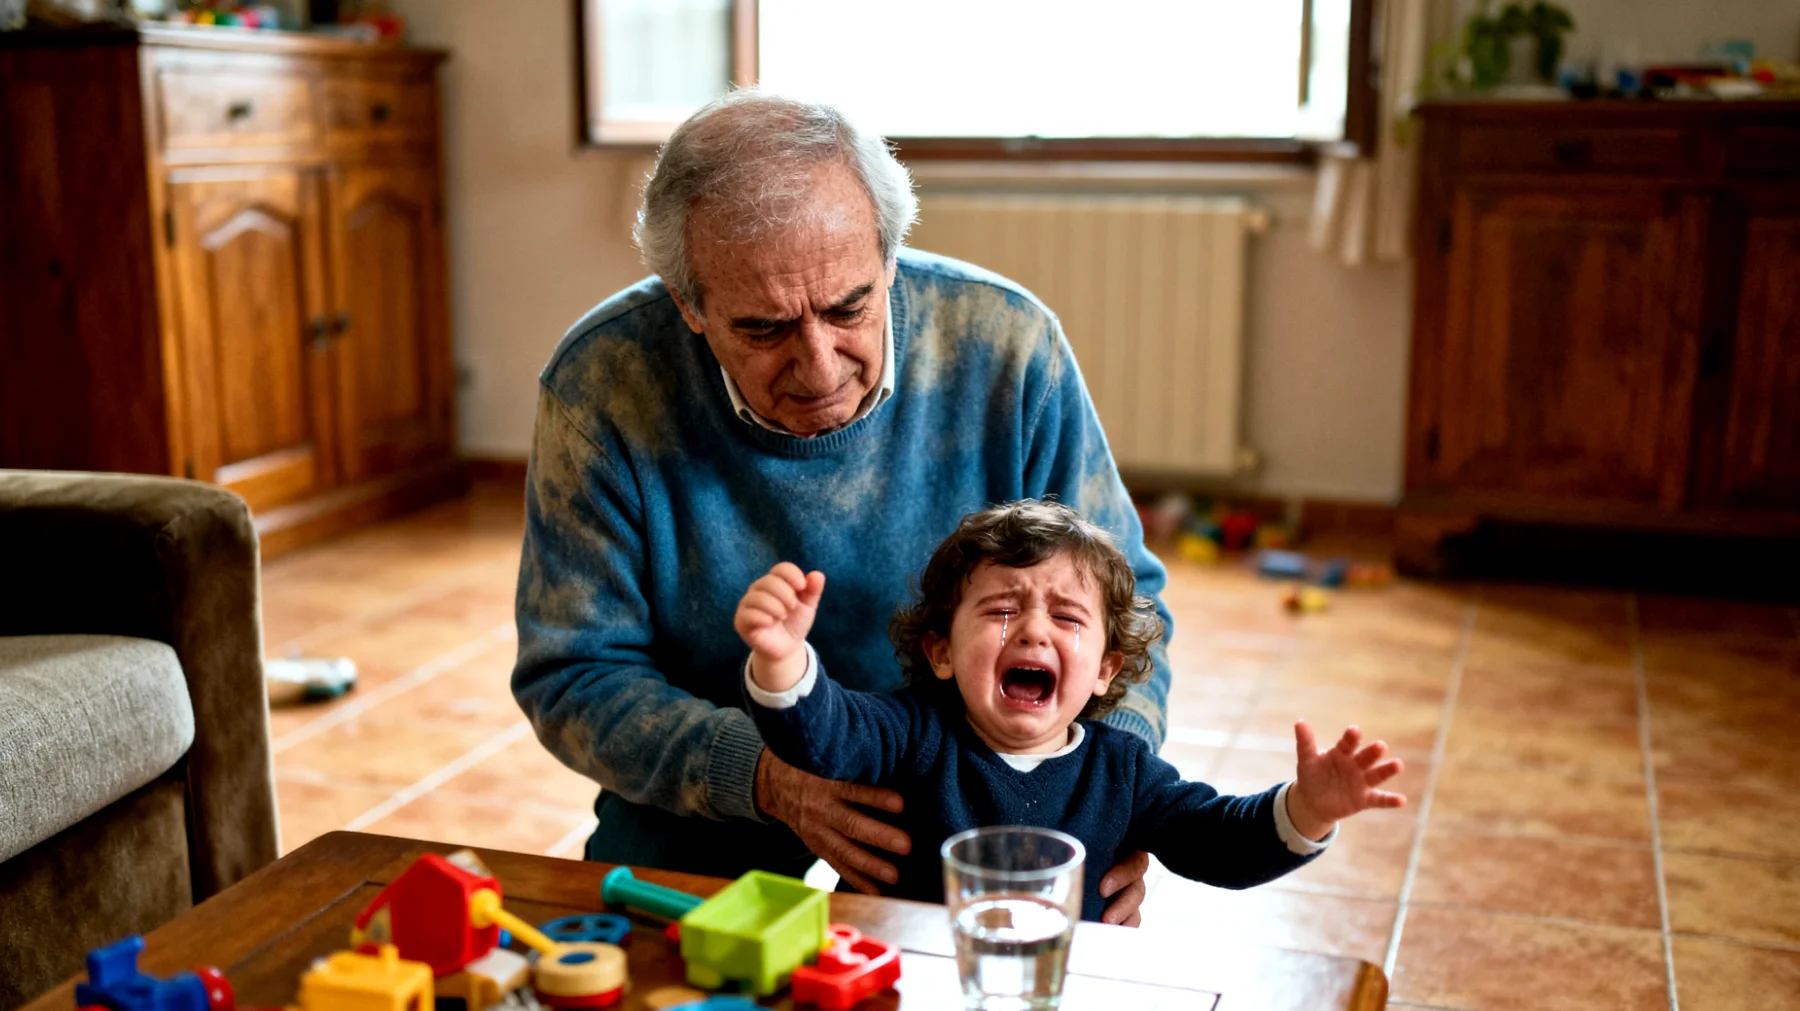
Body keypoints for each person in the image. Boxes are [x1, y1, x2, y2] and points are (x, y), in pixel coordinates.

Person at [513, 90, 1171, 923]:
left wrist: (1109, 780)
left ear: (890, 258)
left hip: (978, 760)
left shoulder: (1008, 346)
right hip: (726, 769)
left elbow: (1127, 600)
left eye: (848, 307)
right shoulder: (601, 385)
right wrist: (769, 777)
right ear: (689, 306)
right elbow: (573, 673)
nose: (820, 366)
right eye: (763, 328)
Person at [736, 499, 1408, 920]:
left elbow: (1218, 841)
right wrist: (783, 659)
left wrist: (1308, 808)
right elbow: (823, 736)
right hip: (918, 984)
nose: (1033, 631)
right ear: (940, 650)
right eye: (1001, 609)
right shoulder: (913, 730)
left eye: (1066, 616)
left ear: (1105, 670)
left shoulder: (1121, 768)